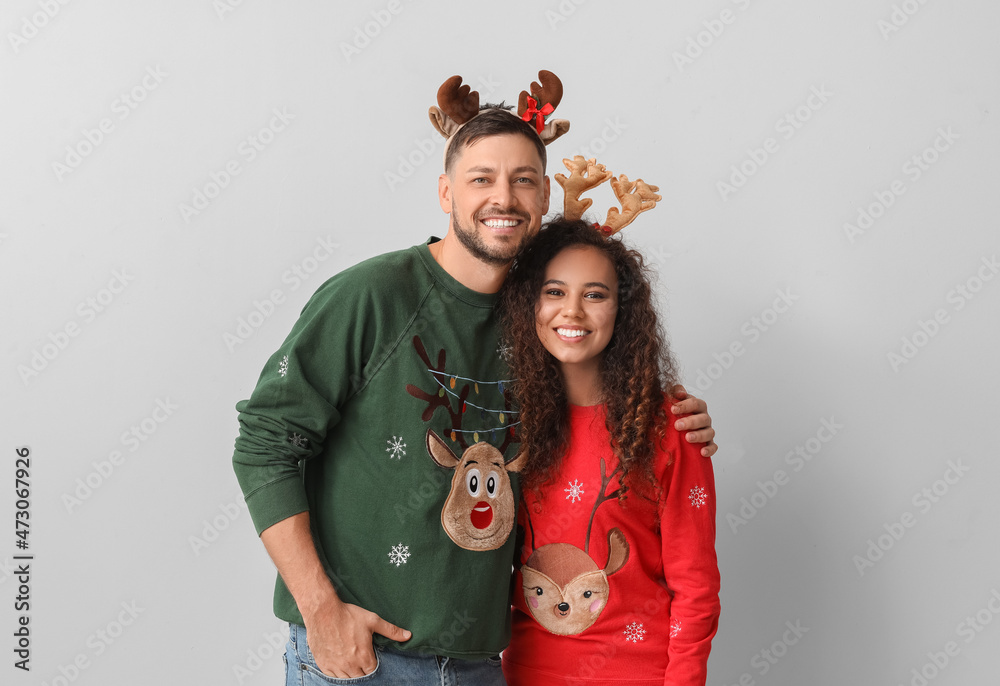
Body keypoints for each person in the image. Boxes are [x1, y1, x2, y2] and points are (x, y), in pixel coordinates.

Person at [232, 75, 717, 685]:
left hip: (483, 668)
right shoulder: (373, 296)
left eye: (522, 180)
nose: (503, 198)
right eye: (481, 179)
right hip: (360, 661)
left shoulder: (538, 323)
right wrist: (320, 609)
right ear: (446, 192)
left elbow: (600, 394)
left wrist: (673, 416)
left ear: (543, 199)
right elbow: (264, 444)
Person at [498, 218, 720, 685]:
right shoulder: (503, 425)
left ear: (623, 310)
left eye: (595, 294)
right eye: (554, 292)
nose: (572, 312)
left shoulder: (672, 428)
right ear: (528, 305)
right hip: (523, 674)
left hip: (638, 672)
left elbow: (695, 589)